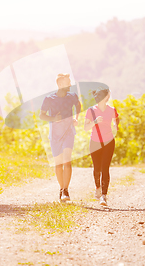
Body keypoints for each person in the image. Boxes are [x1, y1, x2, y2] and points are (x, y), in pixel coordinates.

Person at [40, 74, 81, 202]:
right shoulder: (49, 99)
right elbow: (42, 116)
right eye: (68, 82)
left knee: (67, 160)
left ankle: (65, 190)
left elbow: (78, 106)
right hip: (56, 134)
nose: (70, 84)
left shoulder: (72, 96)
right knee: (58, 164)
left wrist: (76, 118)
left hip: (68, 131)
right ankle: (61, 188)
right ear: (61, 84)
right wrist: (53, 119)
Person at [84, 87, 119, 206]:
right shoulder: (91, 111)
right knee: (97, 168)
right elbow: (85, 128)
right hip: (95, 142)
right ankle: (98, 188)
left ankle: (104, 196)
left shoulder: (112, 110)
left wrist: (115, 125)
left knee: (105, 168)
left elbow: (116, 120)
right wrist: (95, 122)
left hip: (109, 142)